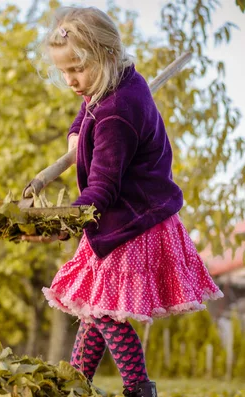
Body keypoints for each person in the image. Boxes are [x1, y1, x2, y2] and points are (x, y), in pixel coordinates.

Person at [24, 6, 223, 397]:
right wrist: (74, 139)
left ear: (108, 56)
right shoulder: (113, 84)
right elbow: (85, 114)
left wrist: (59, 224)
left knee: (104, 310)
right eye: (63, 71)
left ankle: (137, 389)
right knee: (94, 308)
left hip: (132, 219)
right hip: (120, 216)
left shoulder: (118, 112)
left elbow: (102, 188)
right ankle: (75, 386)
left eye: (77, 70)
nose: (70, 81)